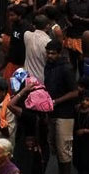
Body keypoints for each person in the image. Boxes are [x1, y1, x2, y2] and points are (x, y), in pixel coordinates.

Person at [45, 38, 78, 174]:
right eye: (48, 53)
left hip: (65, 115)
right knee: (56, 149)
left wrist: (56, 101)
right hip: (52, 113)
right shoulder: (48, 66)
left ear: (59, 53)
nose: (49, 56)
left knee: (64, 151)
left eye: (53, 53)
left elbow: (75, 92)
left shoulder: (66, 69)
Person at [24, 14, 51, 81]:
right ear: (47, 26)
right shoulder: (48, 42)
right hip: (41, 77)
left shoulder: (27, 35)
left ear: (34, 25)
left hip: (27, 77)